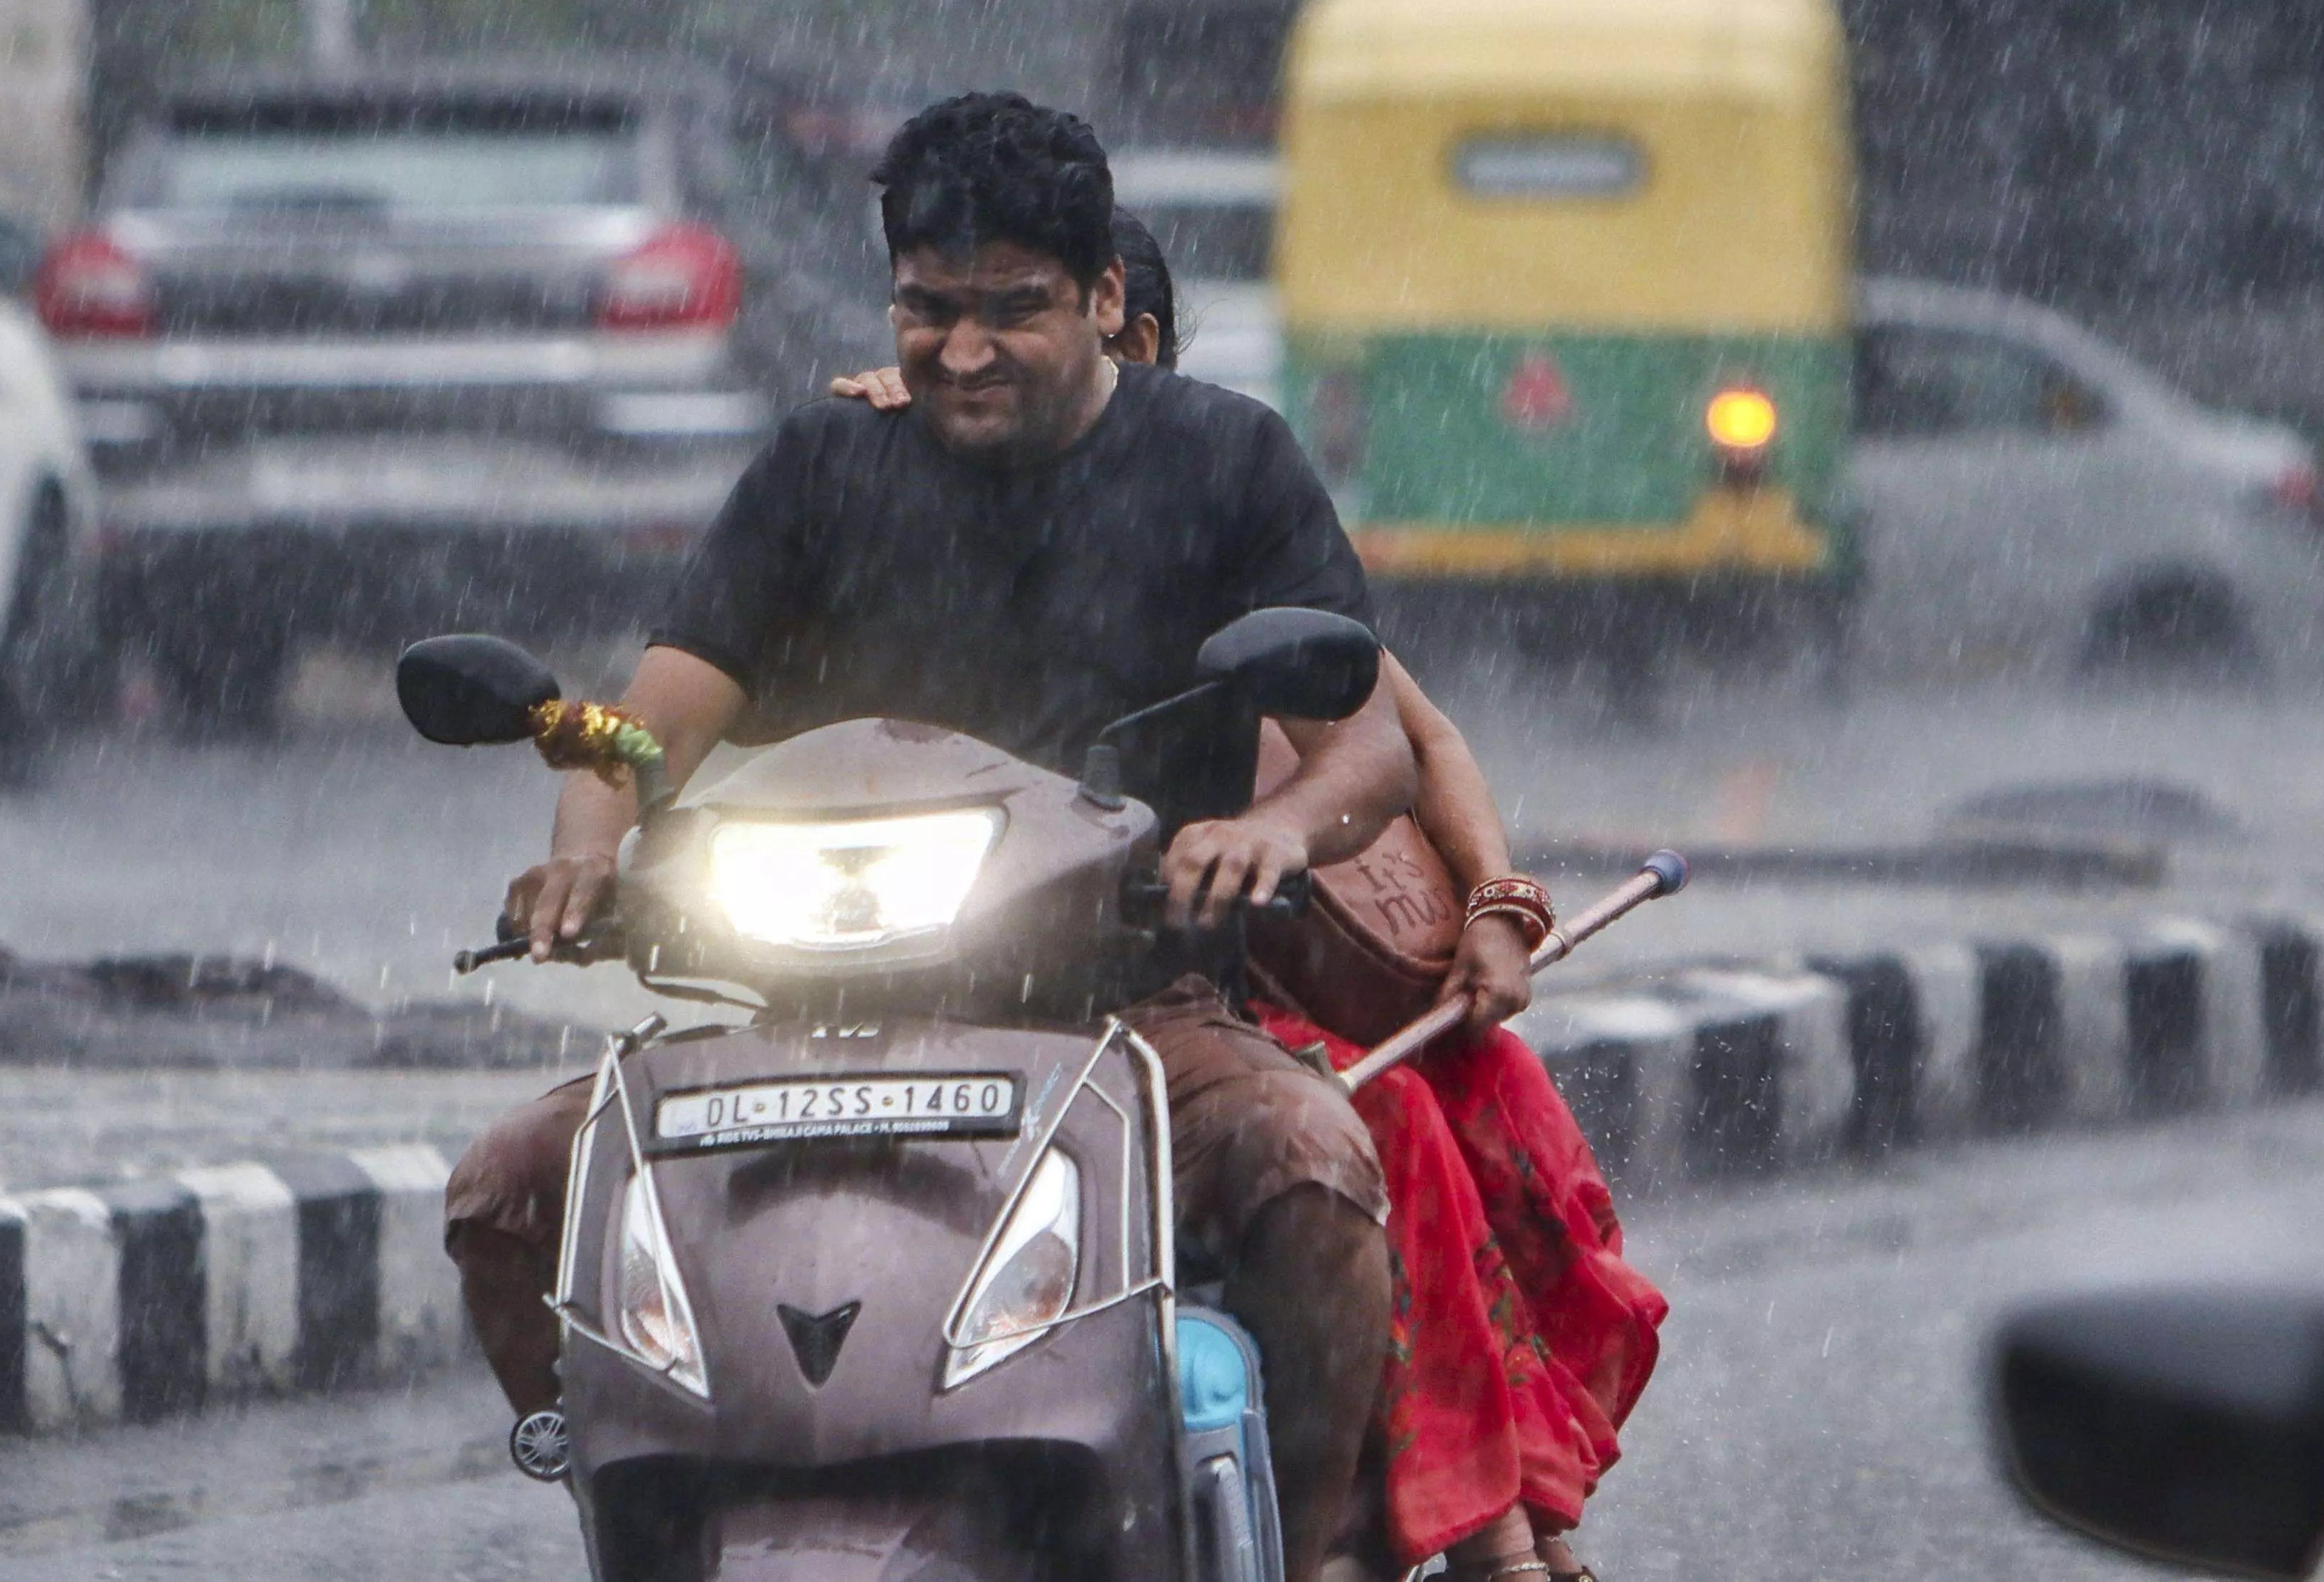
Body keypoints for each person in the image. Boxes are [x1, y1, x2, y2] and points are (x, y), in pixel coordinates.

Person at [447, 91, 1415, 1582]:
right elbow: (645, 730)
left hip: (1124, 1017)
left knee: (1315, 1168)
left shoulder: (1226, 459)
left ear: (1105, 297)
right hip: (803, 1014)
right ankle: (644, 1486)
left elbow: (1372, 744)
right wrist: (587, 842)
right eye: (928, 309)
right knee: (504, 1192)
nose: (962, 352)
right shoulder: (824, 463)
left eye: (1012, 309)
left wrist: (1269, 829)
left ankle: (1299, 1549)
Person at [838, 214, 1657, 1582]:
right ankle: (1474, 1530)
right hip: (1040, 982)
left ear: (1127, 341)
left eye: (1018, 331)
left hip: (1234, 975)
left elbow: (1411, 733)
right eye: (949, 336)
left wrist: (1496, 910)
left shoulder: (1213, 506)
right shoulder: (900, 485)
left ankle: (1477, 1511)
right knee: (1385, 1118)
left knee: (1477, 1086)